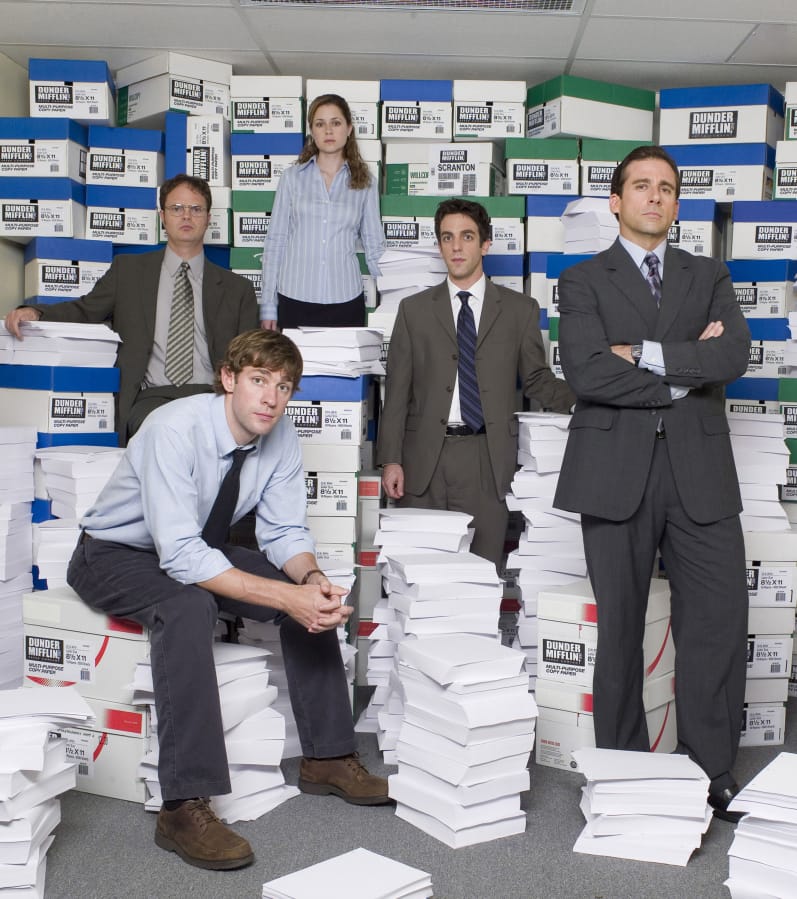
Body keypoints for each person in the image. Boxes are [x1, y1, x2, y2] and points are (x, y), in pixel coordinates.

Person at [66, 329, 391, 871]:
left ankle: (329, 757)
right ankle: (183, 805)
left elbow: (285, 532)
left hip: (197, 548)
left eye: (284, 386)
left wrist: (308, 580)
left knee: (306, 600)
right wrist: (287, 596)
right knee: (190, 605)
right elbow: (181, 558)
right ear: (228, 379)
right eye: (259, 381)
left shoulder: (279, 434)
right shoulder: (172, 428)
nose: (271, 397)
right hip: (113, 554)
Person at [553, 145, 751, 822]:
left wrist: (639, 352)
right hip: (613, 473)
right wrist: (687, 368)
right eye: (640, 186)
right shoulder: (581, 279)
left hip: (699, 473)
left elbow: (732, 355)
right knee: (621, 630)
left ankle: (710, 769)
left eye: (665, 188)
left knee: (716, 624)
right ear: (616, 201)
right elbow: (584, 373)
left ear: (675, 202)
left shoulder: (709, 274)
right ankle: (624, 770)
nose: (654, 197)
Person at [377, 198, 575, 567]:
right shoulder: (414, 310)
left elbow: (536, 379)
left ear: (485, 244)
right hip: (424, 462)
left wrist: (587, 400)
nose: (456, 246)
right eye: (447, 238)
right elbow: (398, 389)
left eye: (467, 236)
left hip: (488, 459)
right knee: (420, 575)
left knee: (482, 577)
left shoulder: (520, 310)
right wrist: (391, 460)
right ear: (438, 246)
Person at [3, 173, 259, 443]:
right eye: (176, 208)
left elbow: (249, 363)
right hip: (151, 398)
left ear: (208, 218)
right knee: (167, 436)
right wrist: (37, 313)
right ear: (162, 216)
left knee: (212, 437)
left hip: (211, 396)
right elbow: (84, 311)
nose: (186, 216)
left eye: (196, 209)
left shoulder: (237, 289)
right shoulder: (128, 271)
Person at [260, 93, 384, 331]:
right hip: (294, 299)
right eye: (320, 124)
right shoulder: (291, 178)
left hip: (346, 301)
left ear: (349, 129)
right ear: (312, 131)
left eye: (335, 123)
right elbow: (275, 241)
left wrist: (395, 297)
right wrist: (268, 304)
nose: (328, 130)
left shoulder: (365, 182)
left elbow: (374, 246)